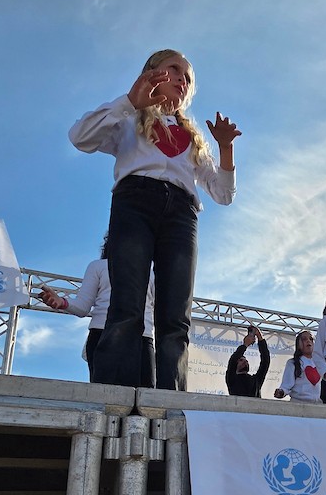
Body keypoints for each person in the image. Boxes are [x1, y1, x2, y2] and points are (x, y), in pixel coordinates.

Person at [69, 49, 240, 389]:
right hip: (135, 201)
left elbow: (223, 194)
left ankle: (171, 401)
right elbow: (80, 137)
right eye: (174, 69)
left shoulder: (193, 137)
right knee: (126, 305)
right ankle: (111, 396)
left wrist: (225, 149)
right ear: (151, 73)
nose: (181, 78)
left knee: (175, 316)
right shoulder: (128, 118)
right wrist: (131, 100)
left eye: (187, 77)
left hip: (181, 213)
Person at [39, 238, 154, 380]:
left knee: (145, 395)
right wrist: (62, 302)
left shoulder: (152, 271)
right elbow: (82, 307)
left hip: (142, 335)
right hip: (103, 333)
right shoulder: (99, 266)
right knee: (104, 394)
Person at [274, 330, 326, 403]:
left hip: (317, 405)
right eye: (304, 339)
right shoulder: (293, 363)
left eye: (311, 339)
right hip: (298, 404)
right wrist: (281, 392)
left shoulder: (321, 363)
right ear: (298, 345)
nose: (308, 341)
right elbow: (286, 385)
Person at [226, 325, 271, 397]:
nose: (245, 362)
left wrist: (260, 337)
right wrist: (245, 345)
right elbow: (233, 360)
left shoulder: (256, 380)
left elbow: (265, 361)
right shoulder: (232, 379)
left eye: (246, 360)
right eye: (241, 360)